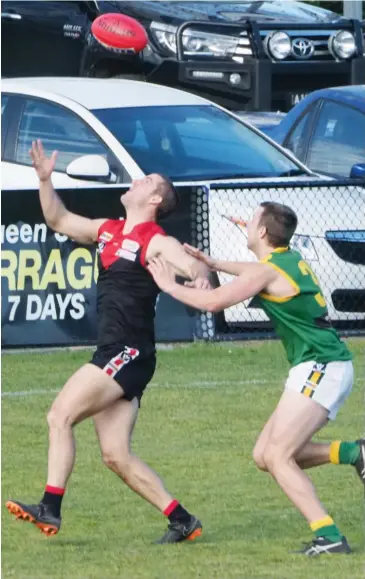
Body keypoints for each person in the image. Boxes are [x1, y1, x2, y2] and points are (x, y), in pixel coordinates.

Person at [6, 140, 210, 544]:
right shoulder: (108, 231)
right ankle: (182, 521)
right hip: (119, 352)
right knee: (115, 455)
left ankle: (50, 507)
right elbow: (59, 219)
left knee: (59, 416)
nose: (137, 179)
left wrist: (200, 274)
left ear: (154, 198)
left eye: (146, 179)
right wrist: (44, 180)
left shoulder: (154, 240)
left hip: (126, 352)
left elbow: (190, 262)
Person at [147, 201, 365, 556]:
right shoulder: (285, 259)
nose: (246, 224)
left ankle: (329, 536)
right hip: (319, 366)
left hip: (322, 366)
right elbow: (257, 270)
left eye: (251, 220)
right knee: (265, 455)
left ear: (262, 231)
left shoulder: (268, 271)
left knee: (279, 456)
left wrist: (168, 285)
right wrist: (215, 263)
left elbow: (215, 302)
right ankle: (354, 452)